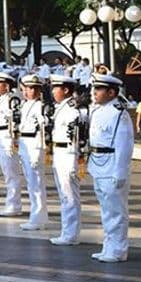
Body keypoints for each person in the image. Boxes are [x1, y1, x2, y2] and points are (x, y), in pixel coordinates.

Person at [88, 73, 134, 262]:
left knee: (116, 211)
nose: (95, 92)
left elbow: (124, 144)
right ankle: (109, 245)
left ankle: (118, 249)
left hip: (111, 165)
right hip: (98, 163)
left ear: (111, 92)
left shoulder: (118, 113)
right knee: (106, 210)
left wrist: (120, 171)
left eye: (99, 89)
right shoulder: (98, 111)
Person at [48, 74, 87, 246]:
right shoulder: (61, 107)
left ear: (65, 90)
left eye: (56, 88)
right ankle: (67, 231)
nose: (53, 91)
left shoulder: (73, 109)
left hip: (68, 153)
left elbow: (78, 137)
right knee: (64, 195)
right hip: (59, 152)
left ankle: (71, 234)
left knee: (70, 195)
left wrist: (75, 161)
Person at [16, 75, 50, 232]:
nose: (27, 91)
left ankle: (38, 217)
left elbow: (43, 130)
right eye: (27, 88)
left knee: (36, 184)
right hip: (25, 143)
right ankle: (35, 215)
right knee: (31, 183)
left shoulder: (39, 106)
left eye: (31, 88)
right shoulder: (25, 105)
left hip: (34, 144)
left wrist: (38, 150)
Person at [0, 72, 24, 217]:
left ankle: (14, 204)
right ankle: (10, 202)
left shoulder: (12, 99)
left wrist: (12, 140)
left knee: (11, 173)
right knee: (6, 172)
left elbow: (15, 121)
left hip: (7, 138)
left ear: (7, 85)